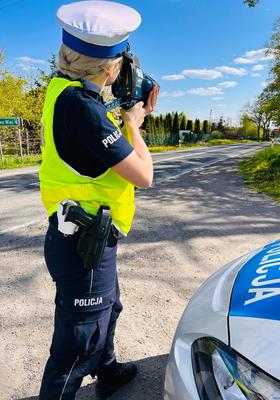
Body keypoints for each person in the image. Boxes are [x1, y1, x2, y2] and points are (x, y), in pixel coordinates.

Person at [38, 1, 159, 399]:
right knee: (77, 344)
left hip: (79, 237)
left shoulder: (63, 92)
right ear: (110, 67)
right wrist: (133, 125)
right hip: (83, 244)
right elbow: (144, 176)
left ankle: (106, 371)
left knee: (109, 308)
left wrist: (116, 113)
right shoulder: (85, 110)